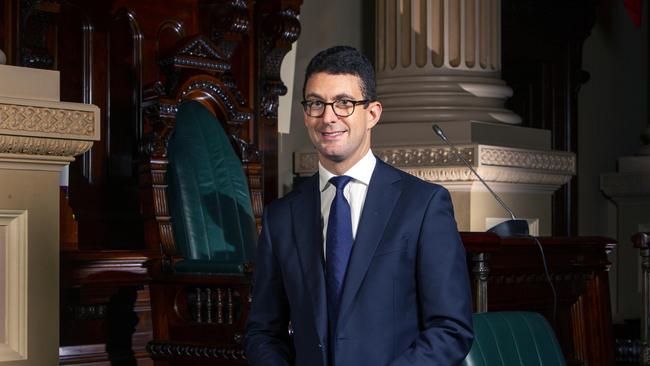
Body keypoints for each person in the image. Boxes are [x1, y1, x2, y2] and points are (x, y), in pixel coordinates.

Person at [245, 45, 474, 366]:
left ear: (372, 114)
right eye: (316, 104)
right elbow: (262, 332)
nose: (328, 117)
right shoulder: (281, 217)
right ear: (305, 114)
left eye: (344, 103)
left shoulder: (422, 206)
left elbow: (451, 329)